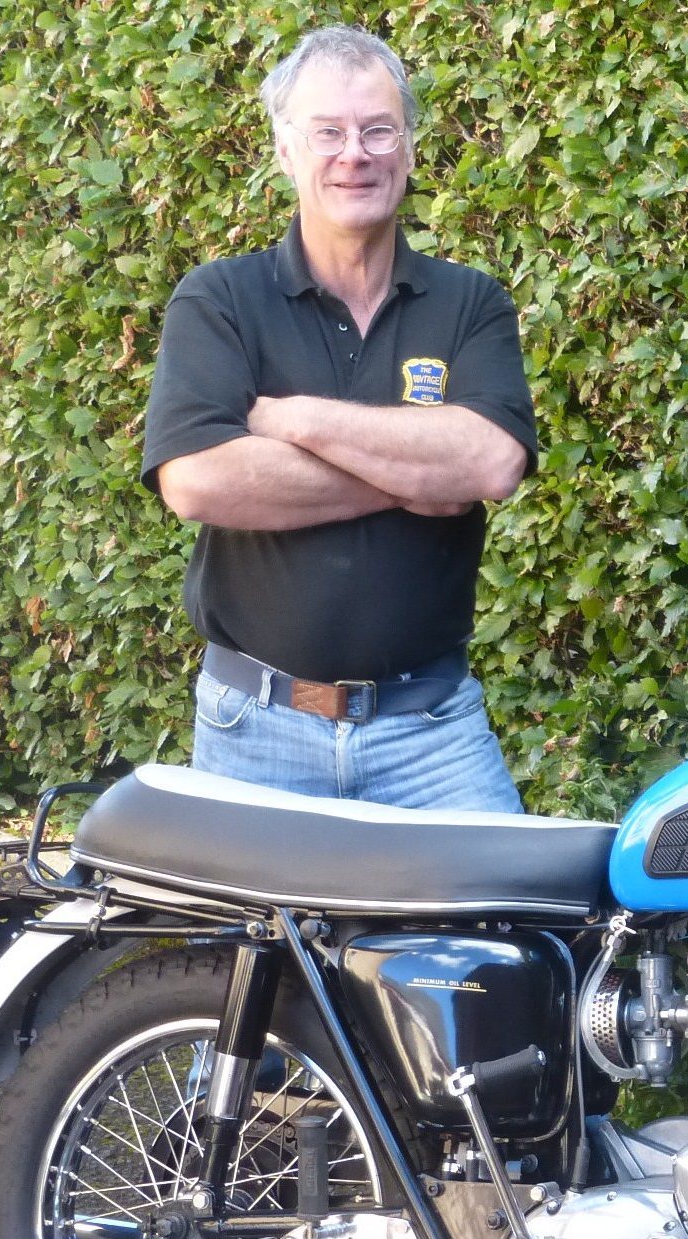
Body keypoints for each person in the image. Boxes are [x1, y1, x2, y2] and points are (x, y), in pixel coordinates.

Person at [141, 25, 533, 812]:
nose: (355, 152)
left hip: (433, 735)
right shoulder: (220, 299)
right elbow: (197, 481)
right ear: (287, 153)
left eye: (378, 129)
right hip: (255, 728)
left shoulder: (471, 303)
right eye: (328, 132)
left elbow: (489, 465)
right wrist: (418, 473)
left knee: (508, 931)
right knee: (250, 942)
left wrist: (291, 419)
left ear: (411, 150)